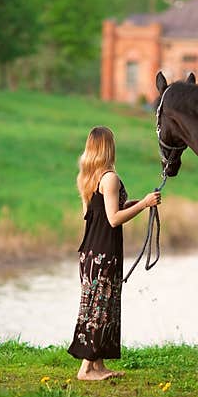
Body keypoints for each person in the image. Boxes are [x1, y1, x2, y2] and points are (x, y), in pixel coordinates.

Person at [68, 126, 161, 380]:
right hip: (104, 252)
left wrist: (136, 203)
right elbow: (113, 219)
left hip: (90, 251)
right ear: (108, 147)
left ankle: (98, 366)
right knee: (100, 306)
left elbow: (94, 214)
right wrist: (144, 205)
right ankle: (86, 369)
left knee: (99, 305)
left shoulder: (87, 177)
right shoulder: (110, 178)